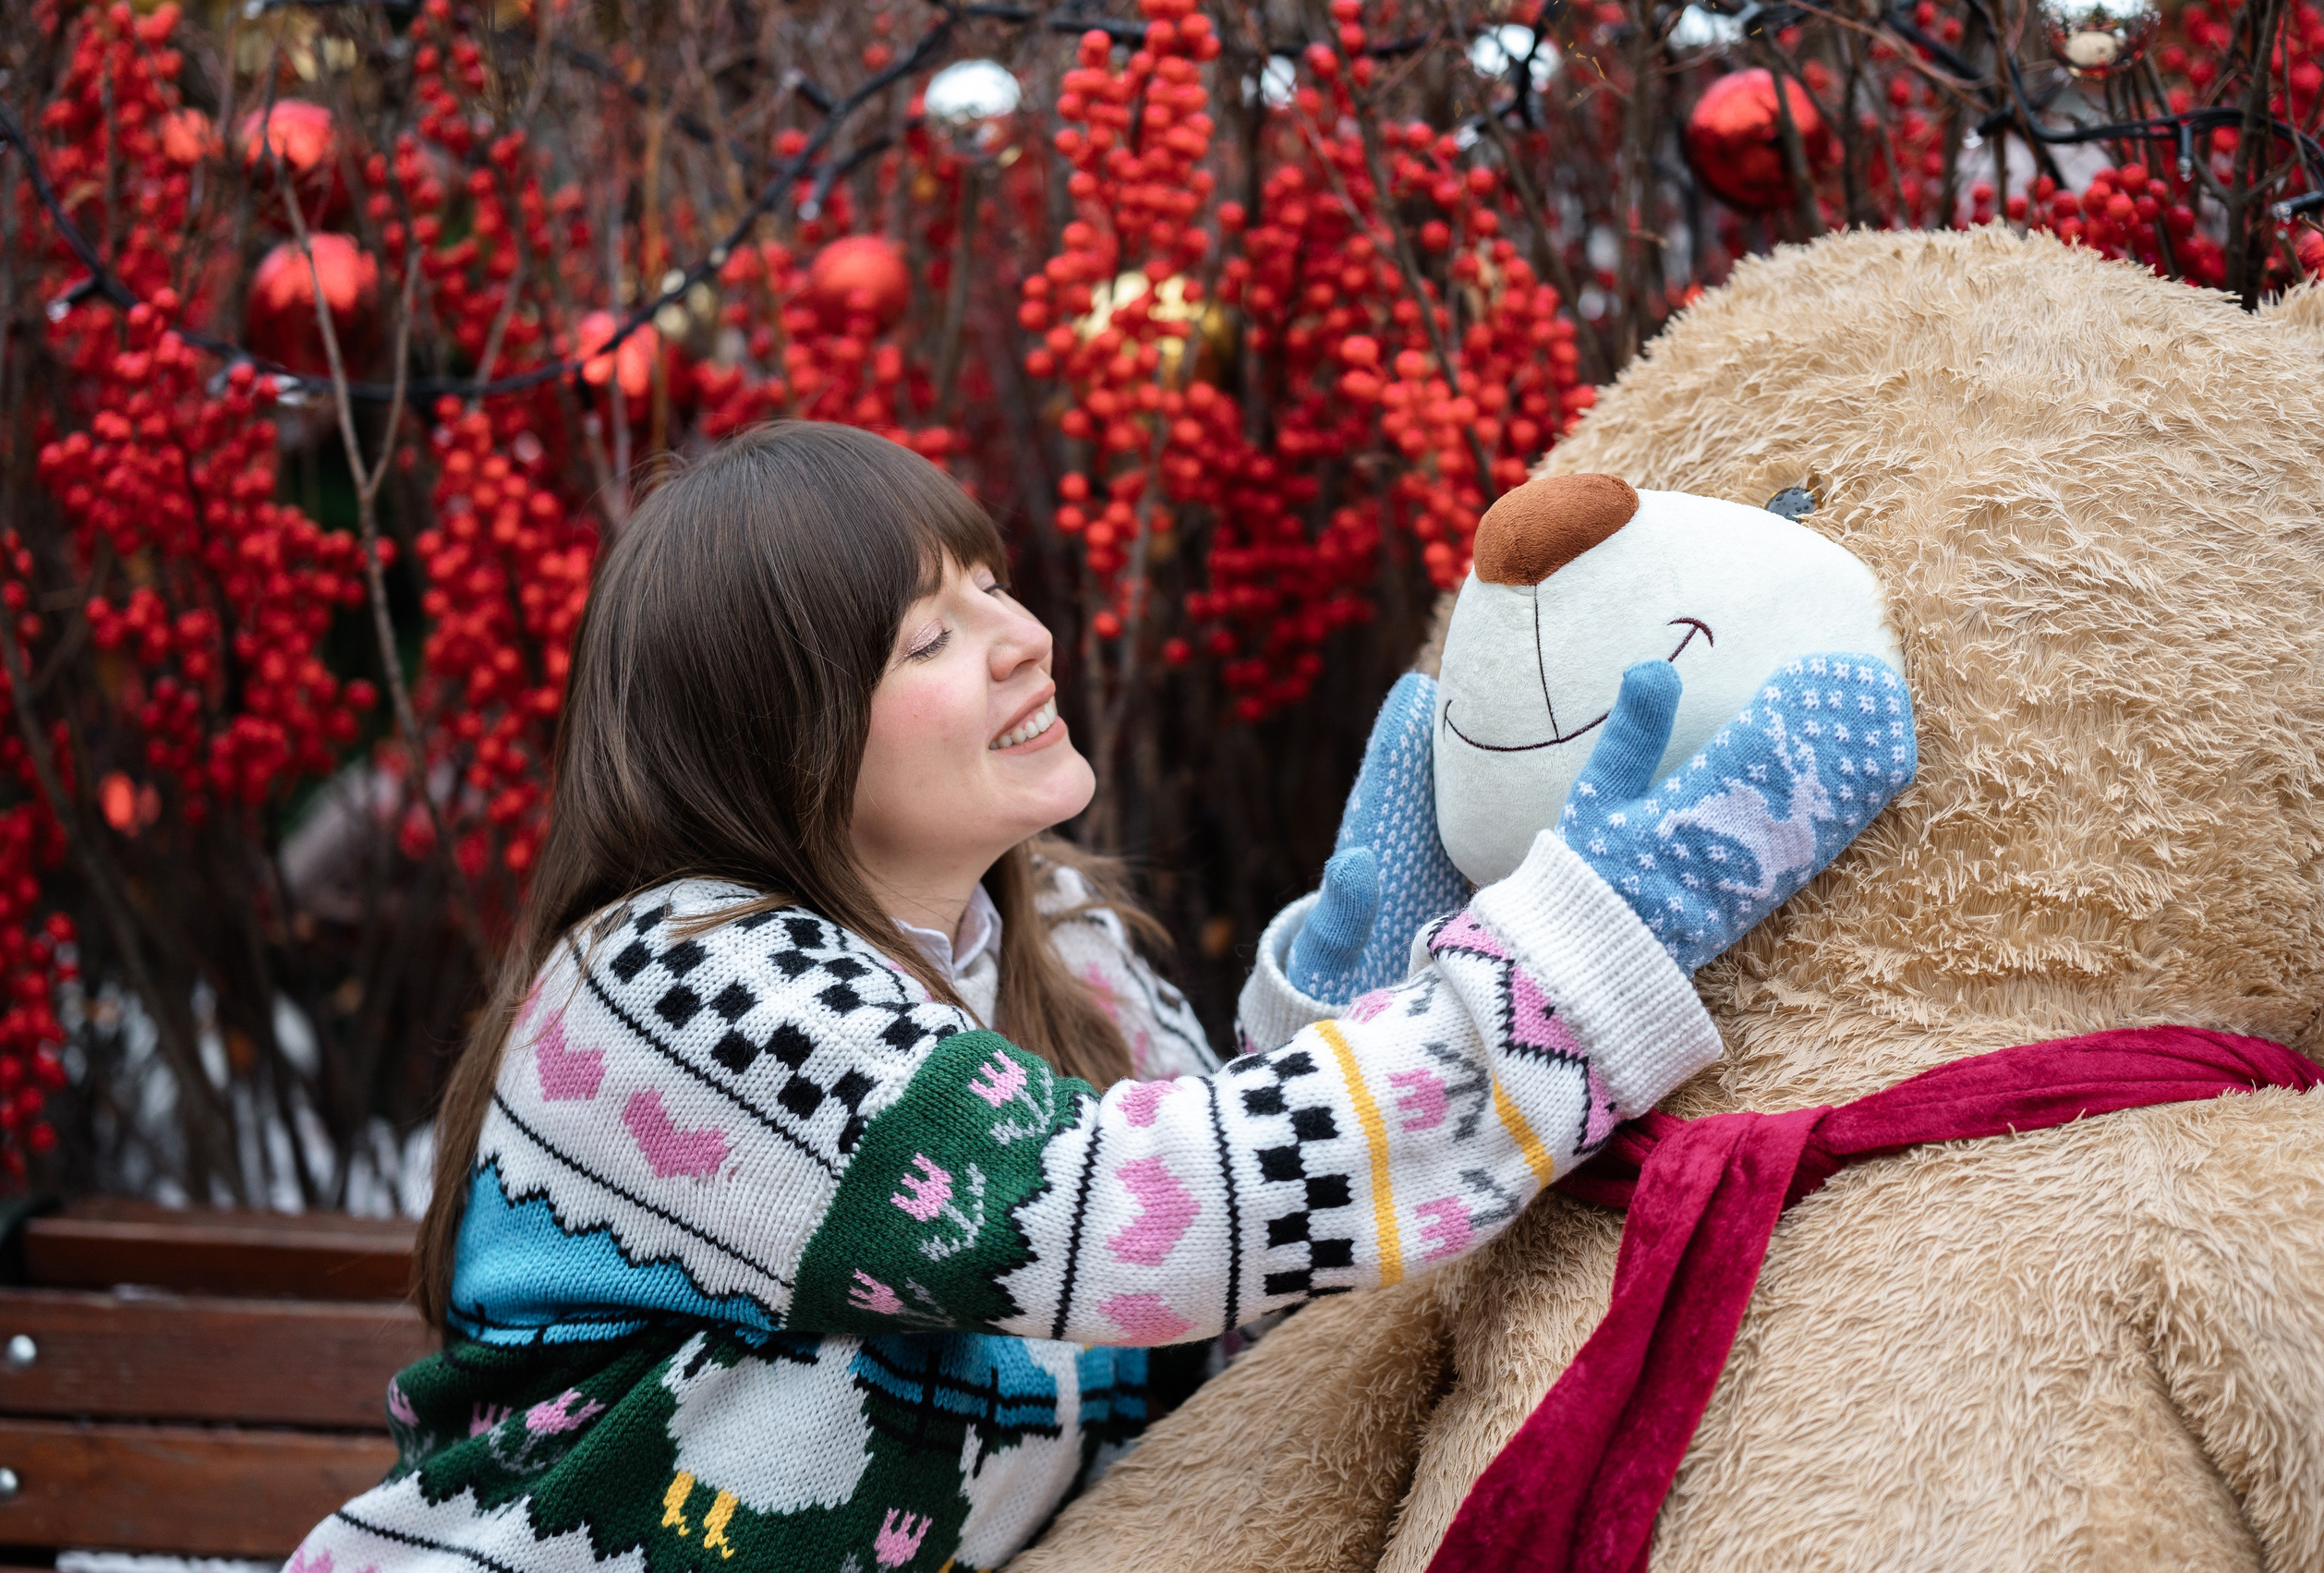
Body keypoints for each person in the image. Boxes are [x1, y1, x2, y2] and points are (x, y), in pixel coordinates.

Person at [285, 421, 1886, 1573]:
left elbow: (1231, 1290)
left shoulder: (1055, 952)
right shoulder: (679, 984)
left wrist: (1353, 991)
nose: (1022, 641)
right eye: (929, 636)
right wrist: (1613, 930)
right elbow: (1119, 1221)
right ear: (776, 735)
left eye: (992, 585)